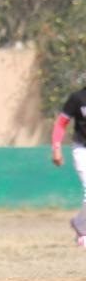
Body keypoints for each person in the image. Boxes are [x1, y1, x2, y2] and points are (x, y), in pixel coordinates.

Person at [49, 85, 86, 248]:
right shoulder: (77, 98)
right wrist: (56, 148)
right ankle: (83, 231)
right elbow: (61, 124)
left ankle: (79, 223)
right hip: (82, 149)